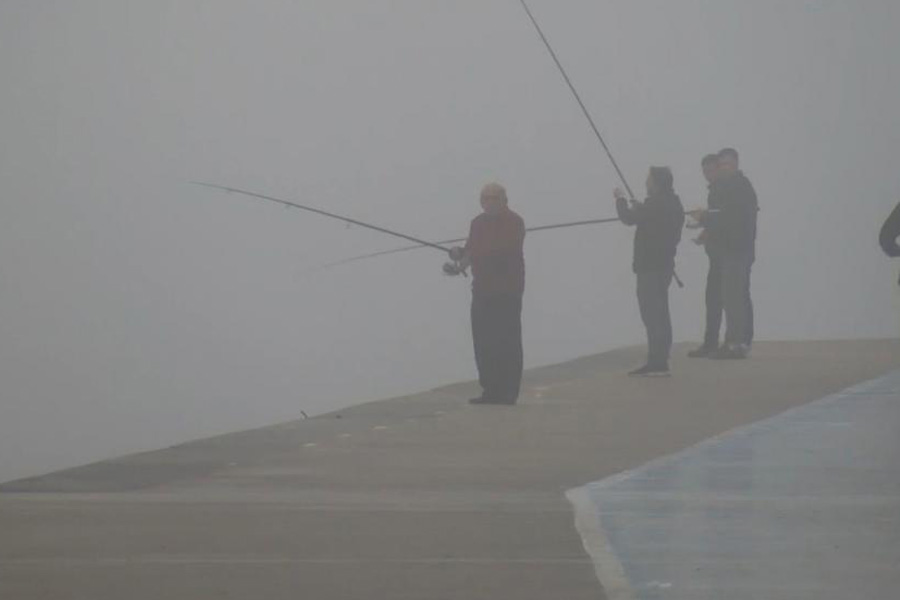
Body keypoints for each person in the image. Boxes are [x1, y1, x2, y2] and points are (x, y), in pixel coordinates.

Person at [446, 183, 526, 405]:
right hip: (482, 291)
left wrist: (466, 253)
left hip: (508, 291)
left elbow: (501, 250)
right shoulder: (477, 224)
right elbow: (470, 252)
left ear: (504, 201)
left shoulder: (515, 222)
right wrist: (458, 262)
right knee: (483, 342)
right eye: (486, 198)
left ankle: (508, 391)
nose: (490, 202)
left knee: (507, 342)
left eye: (495, 198)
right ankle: (491, 390)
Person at [615, 167, 685, 376]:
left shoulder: (654, 204)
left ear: (657, 182)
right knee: (662, 313)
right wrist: (641, 209)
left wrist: (620, 199)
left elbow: (627, 218)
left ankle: (657, 361)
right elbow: (649, 218)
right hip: (664, 266)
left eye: (649, 180)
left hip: (650, 268)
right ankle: (661, 357)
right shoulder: (673, 203)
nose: (646, 183)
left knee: (652, 314)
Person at [690, 148, 757, 359]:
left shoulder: (740, 187)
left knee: (734, 297)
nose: (723, 168)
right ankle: (728, 343)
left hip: (736, 250)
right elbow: (723, 218)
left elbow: (730, 217)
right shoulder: (728, 187)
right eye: (722, 164)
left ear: (736, 164)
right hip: (726, 251)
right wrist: (707, 229)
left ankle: (736, 344)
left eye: (727, 164)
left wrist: (705, 218)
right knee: (726, 297)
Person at [687, 154, 725, 357]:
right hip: (716, 254)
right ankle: (711, 343)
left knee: (720, 299)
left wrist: (702, 217)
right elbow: (716, 223)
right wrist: (703, 233)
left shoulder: (721, 191)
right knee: (713, 300)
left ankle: (718, 343)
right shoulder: (716, 191)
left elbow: (720, 220)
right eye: (704, 171)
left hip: (723, 255)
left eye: (710, 170)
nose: (707, 175)